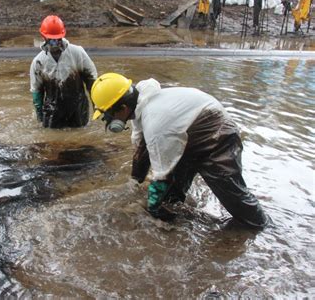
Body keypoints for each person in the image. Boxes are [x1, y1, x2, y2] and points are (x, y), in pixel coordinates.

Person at [90, 73, 270, 229]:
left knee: (232, 194)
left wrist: (151, 207)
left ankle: (260, 226)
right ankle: (171, 216)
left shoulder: (155, 122)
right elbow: (141, 147)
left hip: (217, 135)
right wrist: (134, 182)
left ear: (123, 108)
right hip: (188, 134)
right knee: (171, 195)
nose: (108, 120)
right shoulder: (141, 106)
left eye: (108, 115)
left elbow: (162, 175)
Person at [30, 15, 97, 128]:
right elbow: (37, 91)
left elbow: (92, 80)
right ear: (44, 37)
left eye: (57, 39)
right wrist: (40, 117)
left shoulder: (77, 53)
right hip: (52, 111)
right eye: (51, 39)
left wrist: (96, 105)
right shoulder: (39, 62)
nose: (55, 42)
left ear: (62, 35)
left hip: (78, 109)